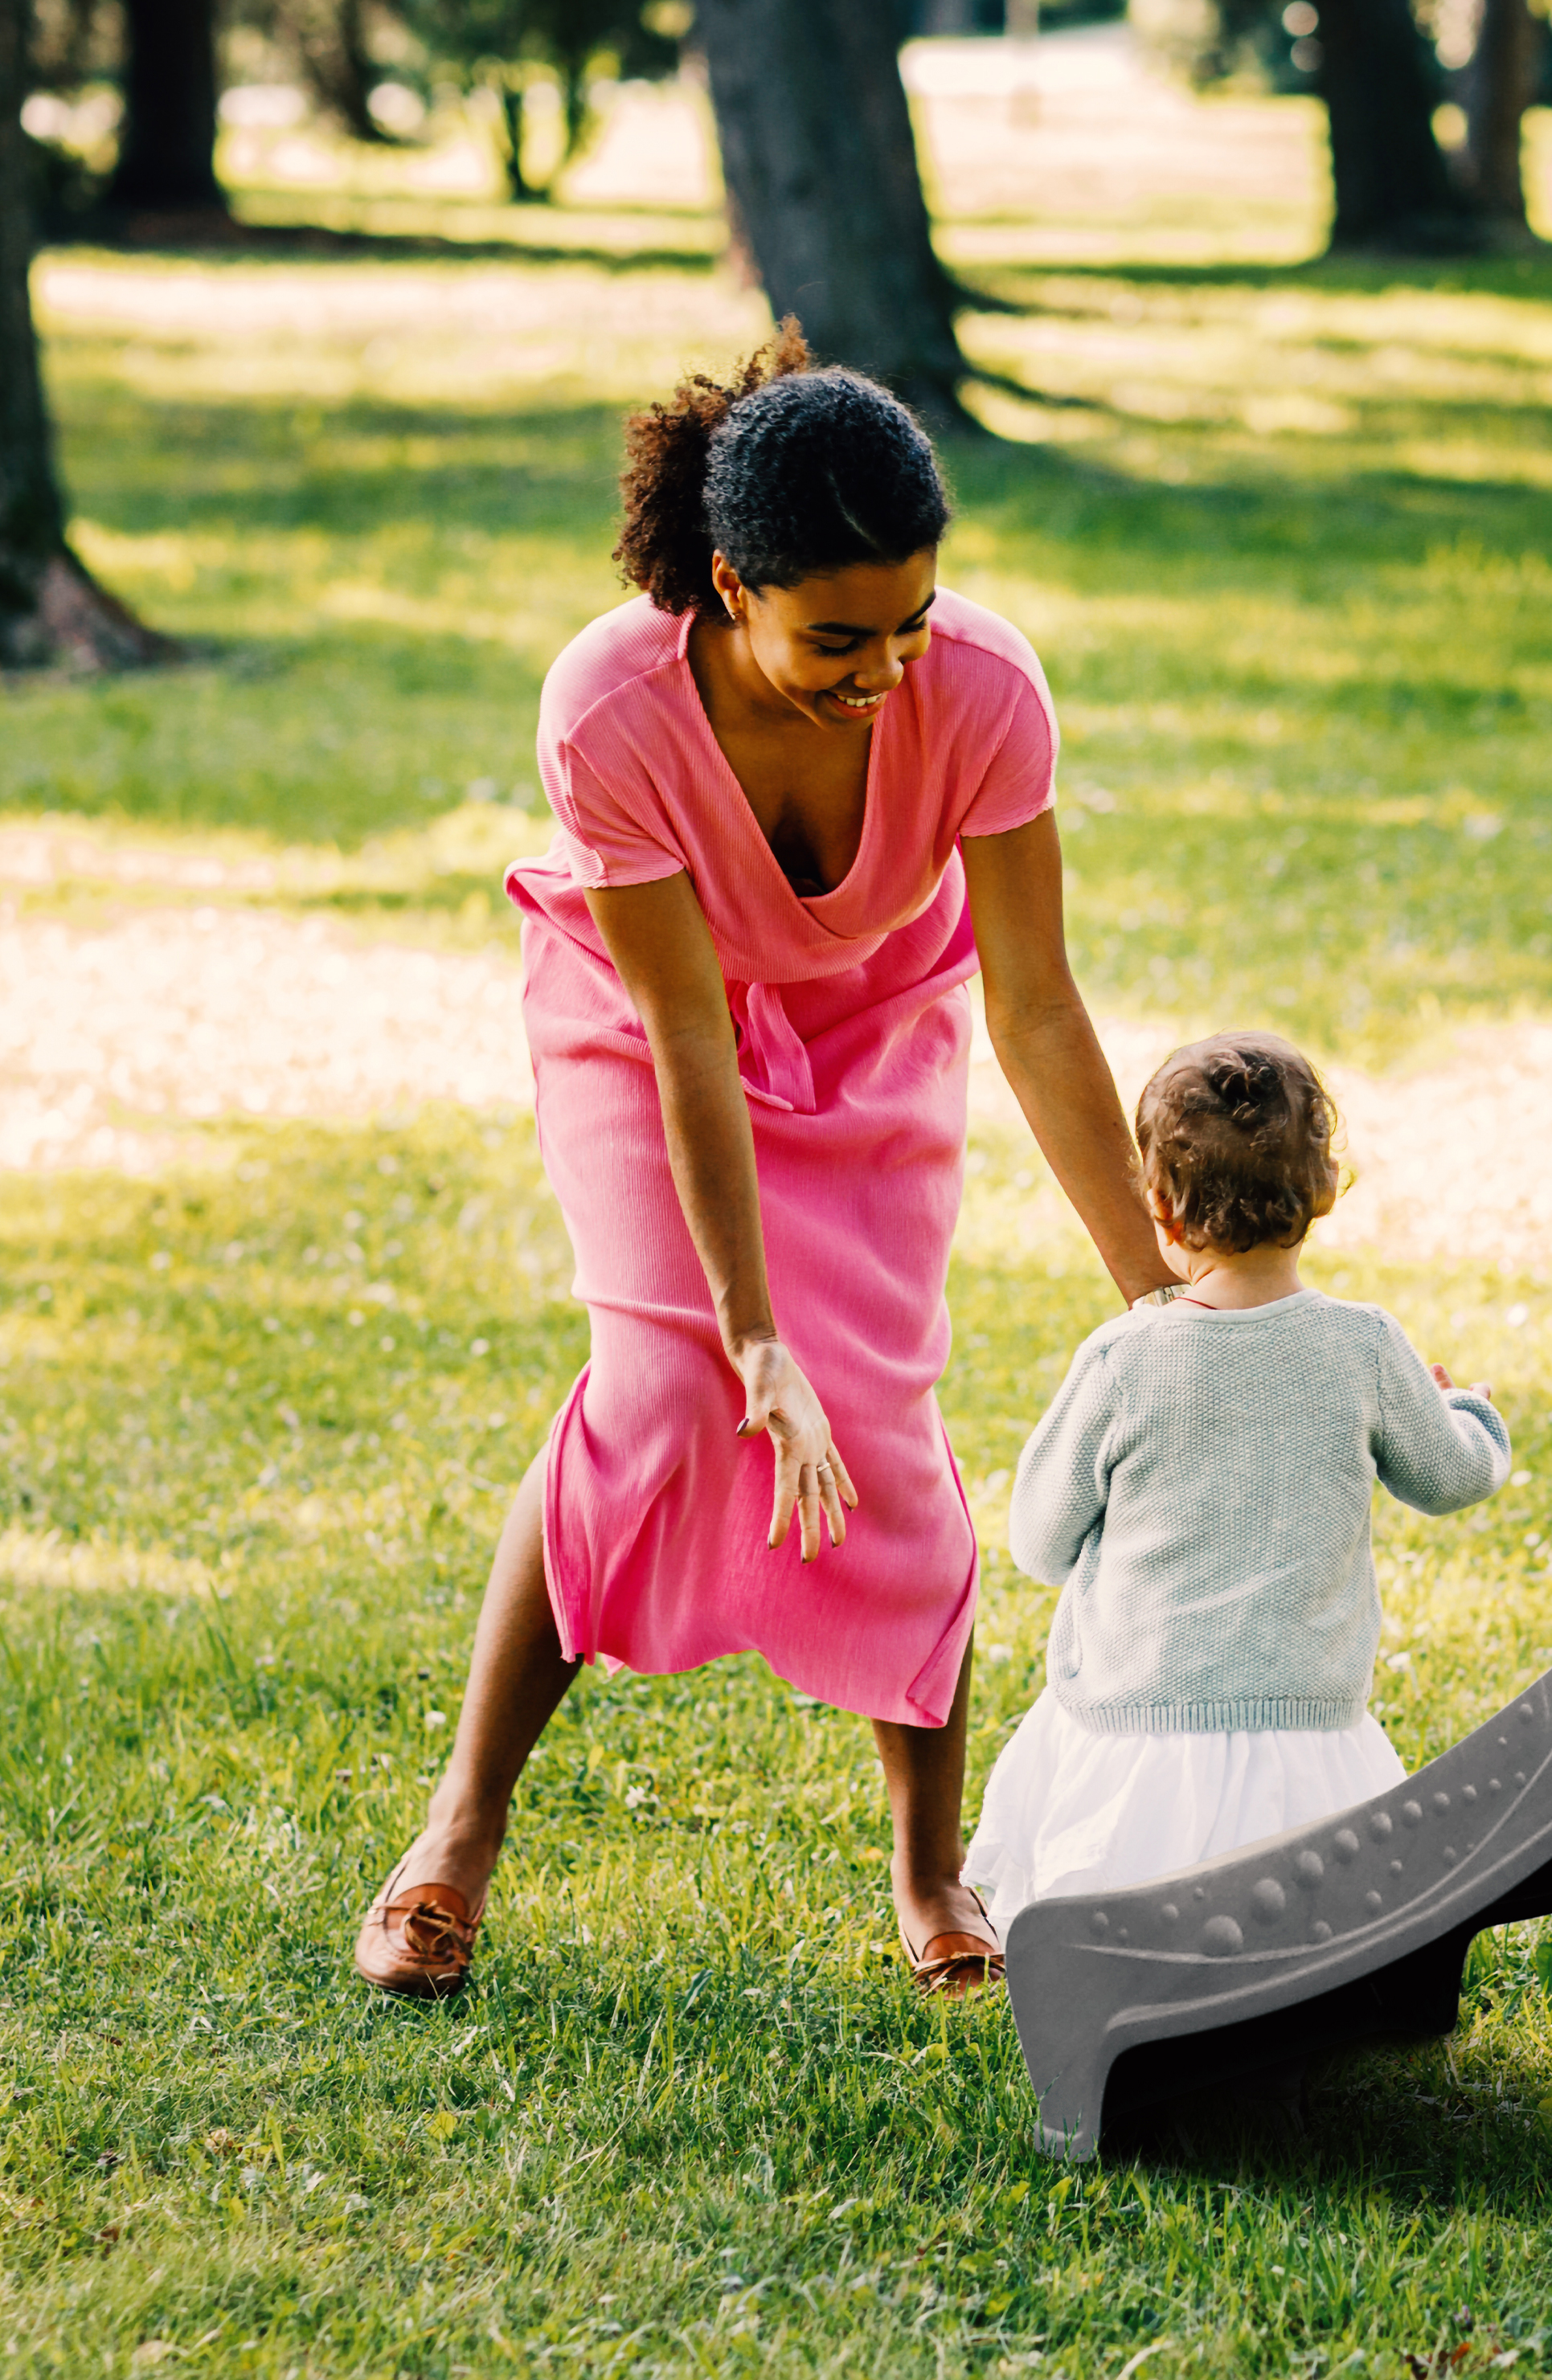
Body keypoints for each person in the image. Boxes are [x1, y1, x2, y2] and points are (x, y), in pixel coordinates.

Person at [354, 327, 1177, 2002]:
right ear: (732, 587)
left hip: (877, 1022)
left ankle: (933, 1871)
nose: (888, 672)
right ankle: (455, 1837)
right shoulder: (614, 710)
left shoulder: (989, 694)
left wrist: (1164, 1300)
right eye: (839, 637)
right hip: (655, 1032)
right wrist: (744, 1331)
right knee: (657, 1395)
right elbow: (687, 1038)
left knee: (880, 1410)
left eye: (915, 622)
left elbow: (1033, 1007)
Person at [963, 1032, 1512, 1935]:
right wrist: (1473, 1416)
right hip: (1307, 1733)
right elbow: (1451, 1478)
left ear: (1161, 1212)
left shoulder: (1124, 1358)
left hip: (1134, 1733)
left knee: (1122, 1939)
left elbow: (1037, 1542)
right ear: (1324, 1191)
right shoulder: (1366, 1345)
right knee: (1307, 1951)